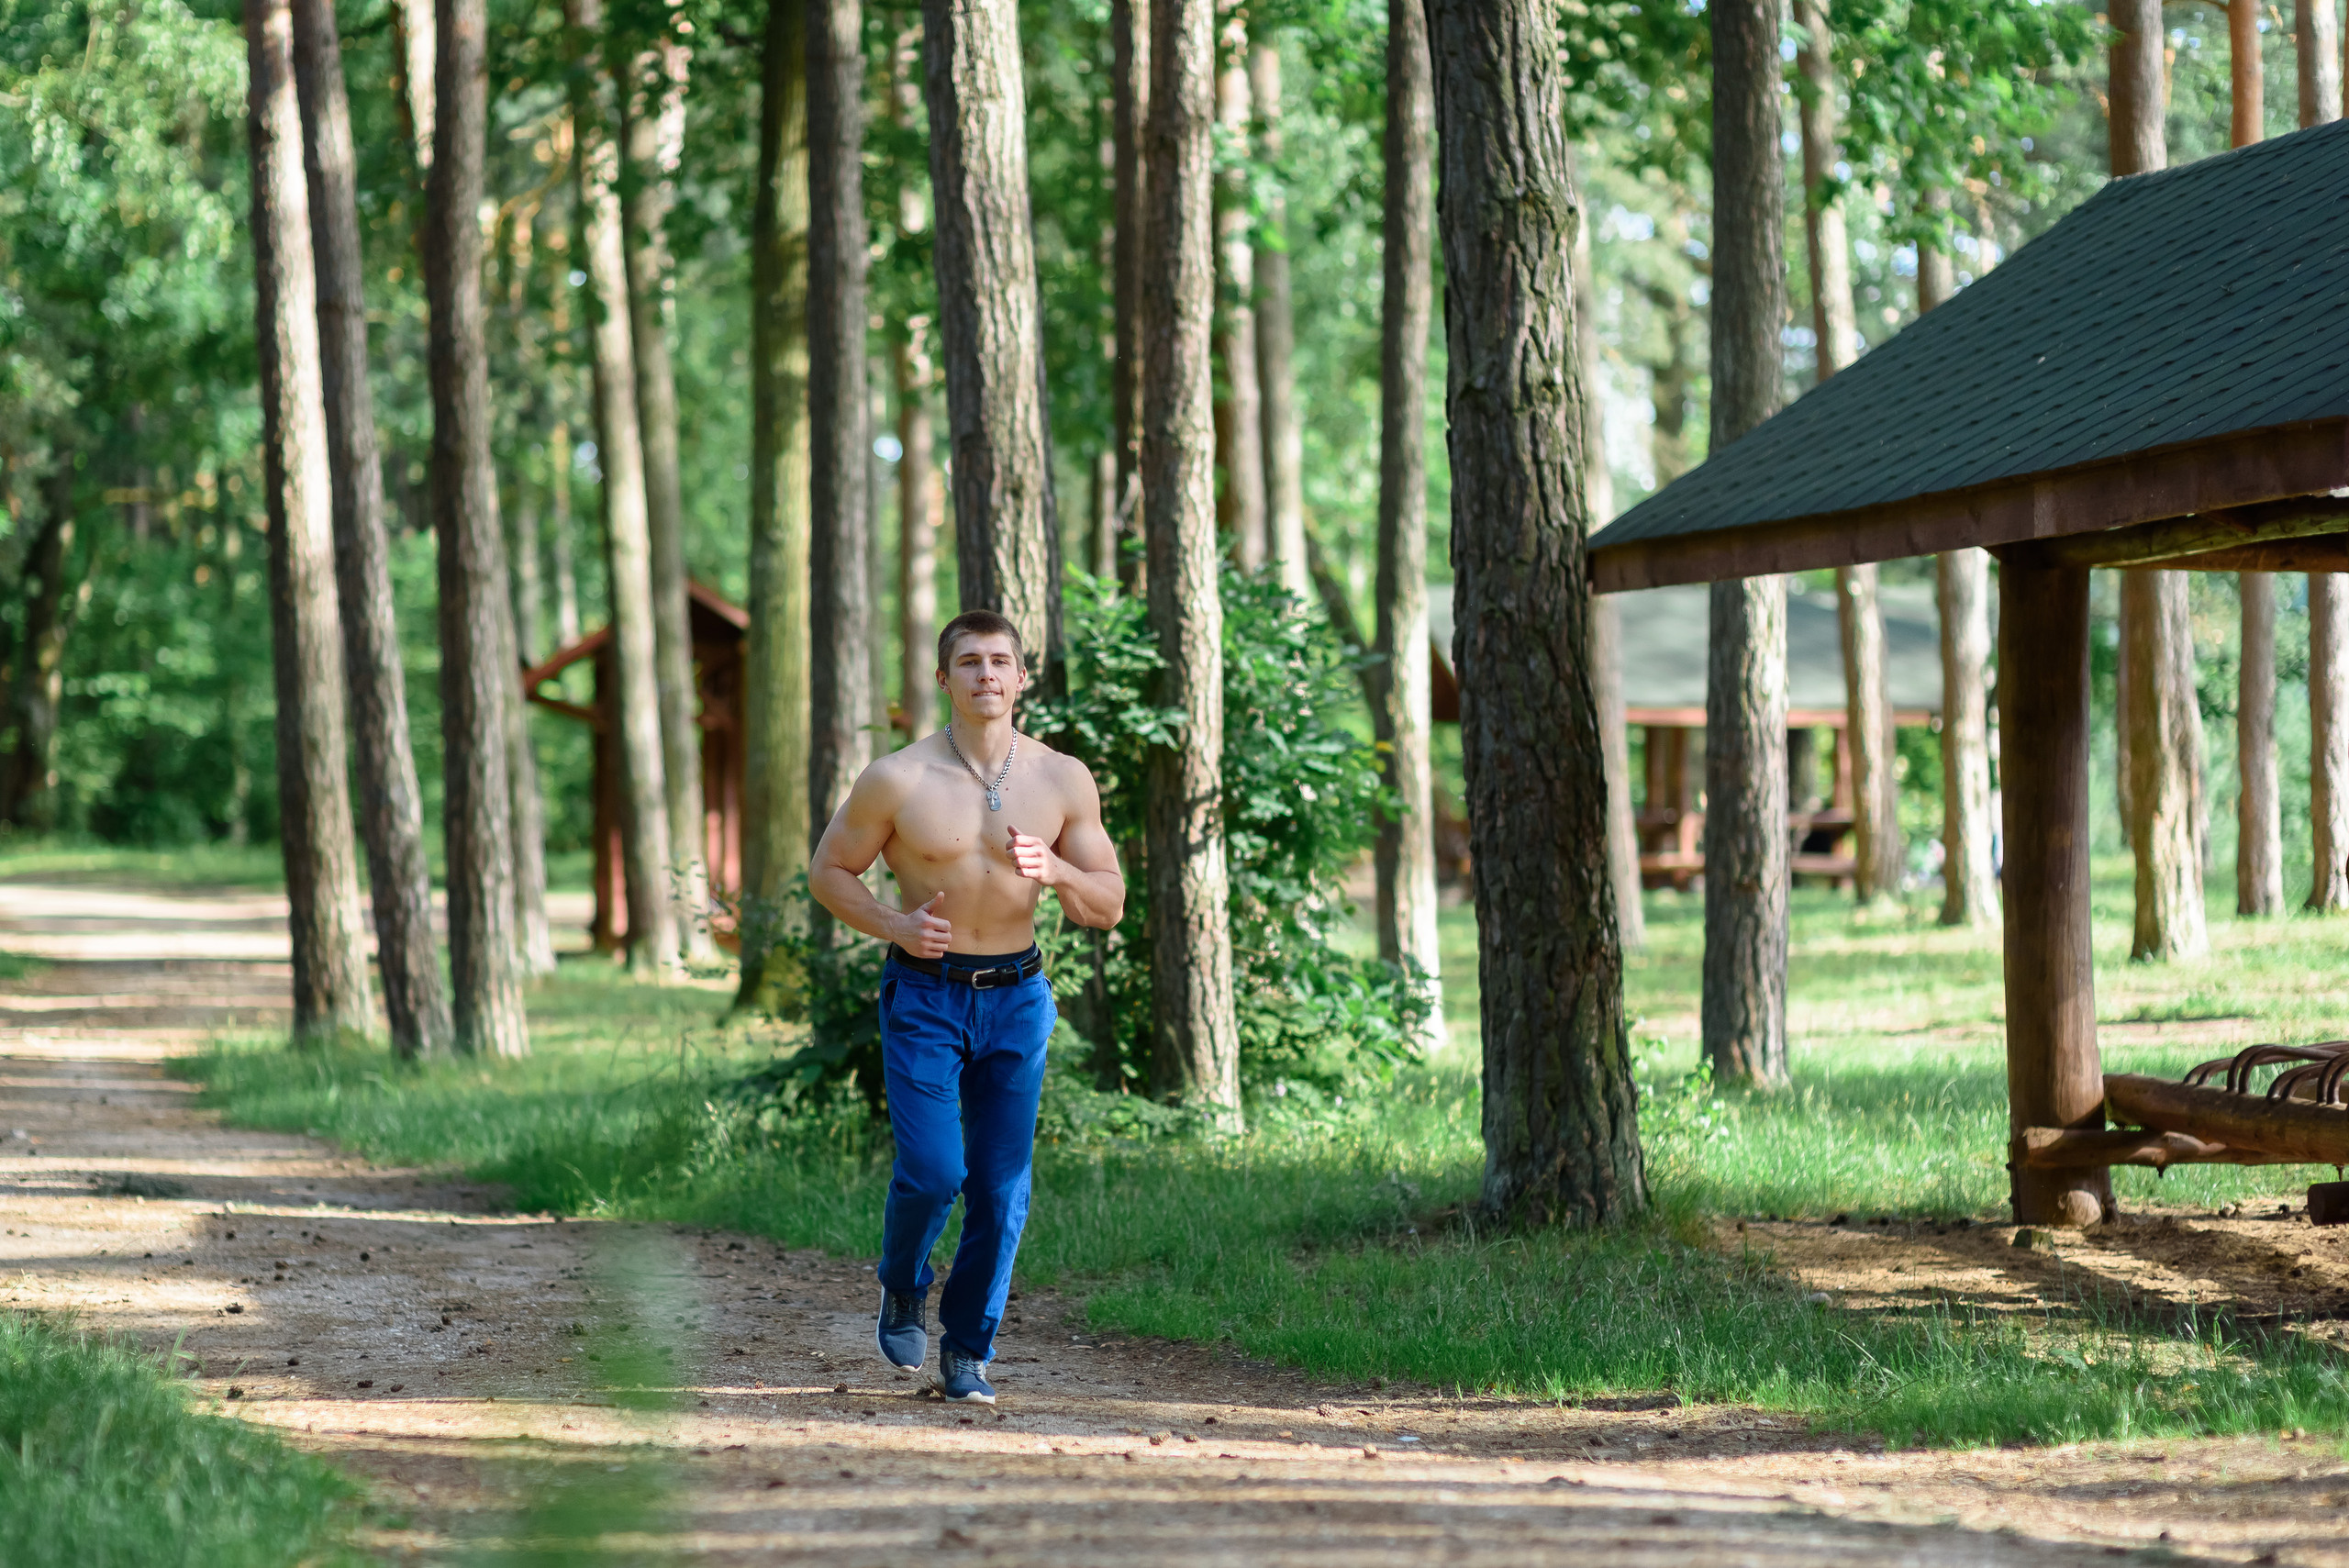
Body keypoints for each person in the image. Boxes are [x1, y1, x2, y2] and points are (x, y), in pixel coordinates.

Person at [808, 609, 1125, 1403]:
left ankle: (968, 1351)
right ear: (944, 678)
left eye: (1000, 661)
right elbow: (829, 871)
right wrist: (895, 925)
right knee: (933, 1170)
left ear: (1022, 677)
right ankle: (902, 1281)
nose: (987, 674)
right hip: (926, 993)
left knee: (1000, 1185)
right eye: (970, 662)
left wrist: (1057, 870)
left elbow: (1108, 903)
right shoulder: (898, 777)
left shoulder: (1062, 778)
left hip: (1017, 997)